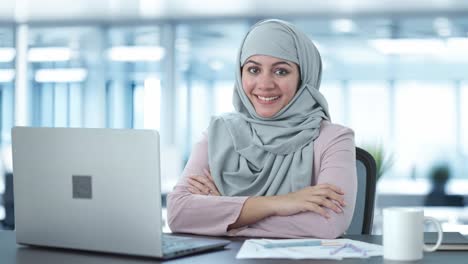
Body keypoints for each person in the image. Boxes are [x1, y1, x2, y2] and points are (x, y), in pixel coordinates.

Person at [167, 19, 357, 239]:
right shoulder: (219, 133)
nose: (265, 84)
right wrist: (280, 204)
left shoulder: (334, 138)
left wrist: (227, 217)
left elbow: (328, 224)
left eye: (281, 72)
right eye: (253, 69)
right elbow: (178, 213)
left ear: (303, 77)